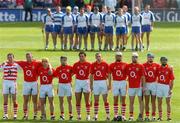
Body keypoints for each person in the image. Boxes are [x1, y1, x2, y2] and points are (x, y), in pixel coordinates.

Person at [16, 53, 42, 120]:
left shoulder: (36, 63)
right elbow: (13, 61)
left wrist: (50, 67)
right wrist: (6, 61)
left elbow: (46, 62)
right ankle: (25, 115)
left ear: (32, 57)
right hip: (26, 83)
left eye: (30, 57)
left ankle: (35, 115)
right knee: (25, 100)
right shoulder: (23, 63)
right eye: (27, 57)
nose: (28, 58)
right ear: (26, 58)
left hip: (34, 83)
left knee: (34, 100)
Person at [90, 53, 111, 121]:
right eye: (97, 56)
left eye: (99, 56)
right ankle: (95, 116)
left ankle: (108, 116)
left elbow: (109, 75)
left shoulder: (105, 64)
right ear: (95, 57)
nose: (98, 57)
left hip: (103, 82)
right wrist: (91, 84)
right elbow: (91, 75)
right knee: (96, 100)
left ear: (101, 57)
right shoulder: (93, 64)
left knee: (105, 100)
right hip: (96, 82)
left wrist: (109, 84)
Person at [0, 53, 21, 120]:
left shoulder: (16, 65)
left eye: (11, 57)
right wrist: (2, 64)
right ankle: (5, 115)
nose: (10, 58)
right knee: (5, 100)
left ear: (13, 58)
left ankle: (15, 115)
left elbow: (23, 68)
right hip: (6, 82)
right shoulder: (5, 65)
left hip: (13, 83)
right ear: (7, 58)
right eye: (8, 57)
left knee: (14, 100)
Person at [125, 52, 145, 121]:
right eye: (133, 57)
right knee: (131, 102)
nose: (135, 58)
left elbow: (143, 77)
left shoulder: (141, 66)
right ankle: (131, 116)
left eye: (136, 57)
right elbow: (126, 76)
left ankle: (141, 116)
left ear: (138, 58)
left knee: (141, 101)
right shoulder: (128, 66)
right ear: (131, 58)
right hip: (131, 86)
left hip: (139, 87)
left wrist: (143, 87)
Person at [72, 51, 91, 121]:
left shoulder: (89, 64)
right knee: (77, 100)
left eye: (82, 56)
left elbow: (91, 74)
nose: (81, 57)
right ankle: (79, 115)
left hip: (86, 81)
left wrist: (91, 83)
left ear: (85, 57)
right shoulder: (76, 64)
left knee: (87, 100)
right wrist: (69, 81)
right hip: (78, 82)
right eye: (80, 56)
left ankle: (88, 115)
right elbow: (72, 73)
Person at [109, 52, 127, 121]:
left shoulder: (125, 65)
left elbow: (128, 74)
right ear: (115, 57)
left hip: (123, 82)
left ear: (121, 57)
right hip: (115, 82)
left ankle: (123, 115)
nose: (119, 57)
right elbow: (109, 75)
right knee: (115, 99)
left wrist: (126, 81)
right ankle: (116, 115)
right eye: (117, 56)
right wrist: (110, 84)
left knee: (123, 99)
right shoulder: (112, 65)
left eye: (120, 56)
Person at [54, 56, 73, 120]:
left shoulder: (70, 67)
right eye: (62, 60)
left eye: (64, 60)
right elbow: (56, 75)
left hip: (68, 85)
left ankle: (70, 115)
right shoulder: (58, 68)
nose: (63, 61)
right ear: (60, 61)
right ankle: (62, 115)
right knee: (61, 101)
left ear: (66, 60)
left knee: (69, 100)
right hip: (61, 85)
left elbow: (73, 73)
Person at [156, 57, 175, 121]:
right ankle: (160, 117)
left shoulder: (170, 69)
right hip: (159, 86)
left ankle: (168, 117)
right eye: (163, 60)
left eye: (165, 60)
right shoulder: (158, 68)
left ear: (167, 61)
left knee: (168, 102)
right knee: (159, 102)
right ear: (160, 61)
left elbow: (172, 80)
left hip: (166, 86)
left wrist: (171, 89)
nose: (164, 61)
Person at [143, 53, 160, 121]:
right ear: (147, 58)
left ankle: (153, 116)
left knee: (153, 101)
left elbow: (163, 69)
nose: (150, 58)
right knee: (146, 101)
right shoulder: (143, 65)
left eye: (152, 57)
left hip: (154, 84)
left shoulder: (157, 65)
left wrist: (171, 68)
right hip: (146, 84)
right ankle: (147, 116)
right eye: (149, 57)